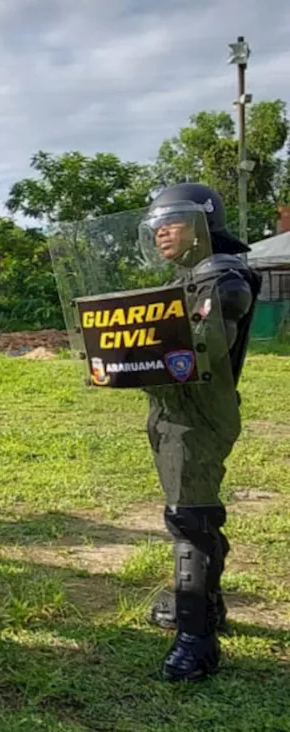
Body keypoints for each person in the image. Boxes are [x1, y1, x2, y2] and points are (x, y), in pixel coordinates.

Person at [140, 183, 257, 682]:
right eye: (158, 223)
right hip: (178, 408)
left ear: (204, 225)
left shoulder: (220, 278)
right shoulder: (195, 276)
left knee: (189, 518)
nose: (163, 230)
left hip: (197, 413)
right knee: (194, 512)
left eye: (175, 220)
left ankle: (197, 638)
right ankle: (210, 609)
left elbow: (204, 350)